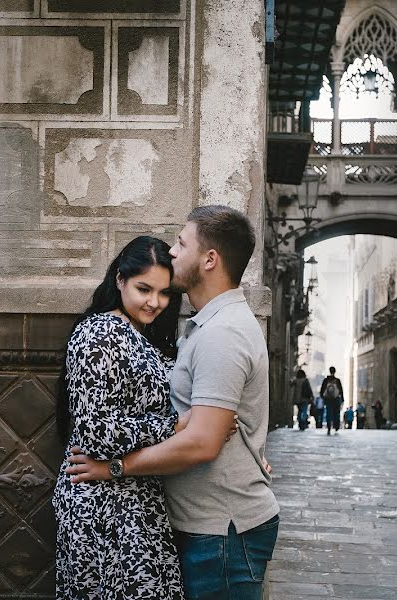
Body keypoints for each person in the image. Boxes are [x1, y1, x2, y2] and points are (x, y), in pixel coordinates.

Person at [66, 205, 280, 600]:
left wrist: (114, 467)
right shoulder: (201, 327)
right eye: (144, 289)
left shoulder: (222, 333)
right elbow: (182, 419)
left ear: (209, 259)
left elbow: (201, 441)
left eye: (182, 243)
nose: (174, 251)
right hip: (174, 521)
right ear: (121, 281)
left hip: (220, 529)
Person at [53, 236, 186, 599]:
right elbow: (96, 432)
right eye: (144, 289)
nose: (155, 302)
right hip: (100, 504)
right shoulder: (100, 332)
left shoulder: (141, 335)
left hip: (135, 495)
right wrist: (173, 427)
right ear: (120, 279)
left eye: (164, 293)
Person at [320, 366, 344, 435]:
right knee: (336, 413)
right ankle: (336, 426)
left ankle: (329, 427)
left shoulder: (326, 380)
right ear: (335, 371)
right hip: (336, 399)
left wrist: (323, 397)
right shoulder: (337, 380)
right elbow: (341, 390)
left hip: (328, 399)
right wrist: (342, 399)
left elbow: (322, 390)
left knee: (328, 413)